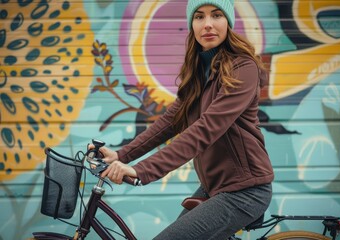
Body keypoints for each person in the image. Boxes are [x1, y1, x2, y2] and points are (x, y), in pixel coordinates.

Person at [93, 0, 274, 239]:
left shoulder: (243, 68)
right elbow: (169, 122)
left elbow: (207, 129)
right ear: (192, 24)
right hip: (214, 187)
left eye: (216, 15)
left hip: (245, 191)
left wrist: (142, 170)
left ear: (228, 22)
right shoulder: (200, 70)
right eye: (199, 17)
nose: (207, 24)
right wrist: (121, 155)